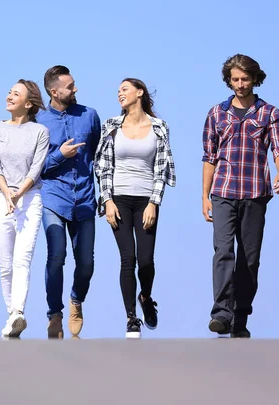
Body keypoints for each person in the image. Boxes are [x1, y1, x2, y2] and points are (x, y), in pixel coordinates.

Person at [202, 54, 279, 338]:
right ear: (228, 80)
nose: (239, 85)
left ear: (255, 80)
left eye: (245, 79)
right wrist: (205, 196)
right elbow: (209, 157)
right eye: (235, 79)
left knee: (249, 259)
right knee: (223, 252)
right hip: (223, 191)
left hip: (255, 192)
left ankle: (240, 316)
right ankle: (221, 314)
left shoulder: (269, 113)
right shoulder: (216, 113)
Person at [94, 78, 176, 339]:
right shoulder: (111, 126)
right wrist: (107, 200)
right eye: (118, 90)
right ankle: (131, 318)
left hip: (145, 200)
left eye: (125, 89)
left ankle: (146, 297)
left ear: (139, 92)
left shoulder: (159, 128)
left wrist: (154, 202)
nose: (120, 93)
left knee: (146, 260)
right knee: (127, 258)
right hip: (118, 198)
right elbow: (102, 167)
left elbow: (161, 168)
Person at [36, 65, 101, 339]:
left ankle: (76, 300)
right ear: (54, 91)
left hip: (85, 198)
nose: (75, 89)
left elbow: (98, 155)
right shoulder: (38, 121)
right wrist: (60, 155)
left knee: (86, 262)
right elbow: (34, 167)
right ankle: (55, 314)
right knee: (56, 256)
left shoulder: (89, 115)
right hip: (53, 197)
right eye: (70, 86)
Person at [0, 79, 49, 338]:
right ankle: (11, 314)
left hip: (30, 198)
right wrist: (7, 193)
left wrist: (19, 192)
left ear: (29, 103)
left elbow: (37, 167)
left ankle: (18, 313)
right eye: (10, 92)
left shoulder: (40, 132)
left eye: (16, 94)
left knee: (23, 258)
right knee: (6, 263)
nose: (9, 96)